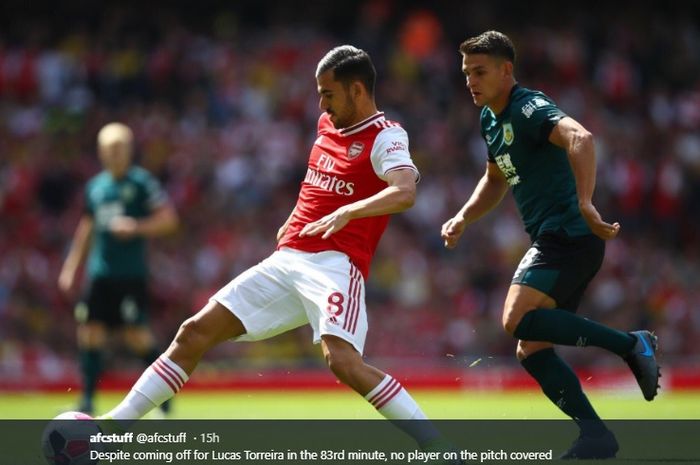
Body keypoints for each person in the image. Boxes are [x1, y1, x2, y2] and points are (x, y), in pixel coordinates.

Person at [100, 46, 460, 463]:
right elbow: (317, 183)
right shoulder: (327, 124)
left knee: (341, 361)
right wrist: (292, 217)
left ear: (357, 90)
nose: (321, 104)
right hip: (289, 259)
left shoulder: (386, 135)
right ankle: (114, 427)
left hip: (335, 264)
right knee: (193, 332)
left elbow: (405, 192)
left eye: (329, 94)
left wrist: (349, 211)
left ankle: (437, 446)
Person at [441, 31, 660, 460]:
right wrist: (463, 216)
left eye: (480, 71)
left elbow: (582, 138)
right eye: (466, 72)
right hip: (554, 237)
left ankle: (632, 344)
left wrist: (585, 202)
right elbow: (495, 178)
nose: (471, 80)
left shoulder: (526, 107)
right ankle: (596, 435)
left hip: (570, 234)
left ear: (507, 70)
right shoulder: (489, 118)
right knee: (531, 348)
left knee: (515, 319)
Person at [58, 122, 179, 416]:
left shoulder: (141, 184)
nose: (116, 153)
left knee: (136, 336)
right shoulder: (95, 187)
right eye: (111, 148)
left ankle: (164, 393)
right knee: (89, 333)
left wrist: (136, 227)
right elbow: (87, 227)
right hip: (99, 275)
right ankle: (87, 400)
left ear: (130, 150)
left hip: (130, 275)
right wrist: (72, 266)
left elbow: (168, 219)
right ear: (101, 152)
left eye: (121, 147)